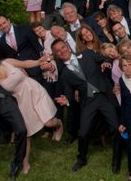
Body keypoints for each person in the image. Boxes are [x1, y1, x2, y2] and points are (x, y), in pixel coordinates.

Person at [0, 54, 61, 174]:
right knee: (25, 133)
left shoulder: (7, 62)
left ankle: (58, 125)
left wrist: (38, 62)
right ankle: (25, 163)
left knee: (49, 123)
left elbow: (24, 63)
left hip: (33, 90)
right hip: (21, 101)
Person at [52, 39, 122, 173]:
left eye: (63, 47)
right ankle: (81, 158)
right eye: (58, 51)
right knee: (83, 132)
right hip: (89, 101)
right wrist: (66, 101)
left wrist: (105, 62)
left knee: (115, 127)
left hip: (104, 96)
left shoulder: (87, 54)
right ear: (56, 55)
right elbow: (70, 95)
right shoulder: (65, 75)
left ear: (67, 46)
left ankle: (116, 161)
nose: (62, 51)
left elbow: (104, 58)